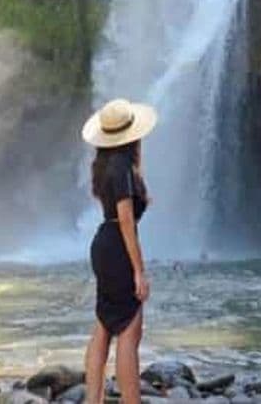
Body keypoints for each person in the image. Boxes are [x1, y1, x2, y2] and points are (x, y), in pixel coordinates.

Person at [82, 98, 158, 404]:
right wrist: (139, 270)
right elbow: (126, 220)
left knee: (103, 323)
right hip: (117, 247)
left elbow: (118, 210)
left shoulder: (103, 166)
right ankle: (131, 400)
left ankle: (93, 399)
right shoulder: (123, 167)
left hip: (103, 244)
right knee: (129, 329)